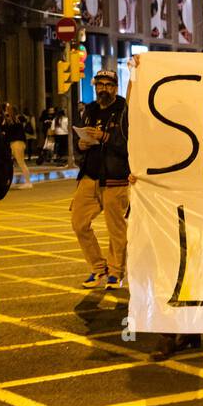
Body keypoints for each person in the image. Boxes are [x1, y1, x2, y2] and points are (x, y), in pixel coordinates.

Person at [73, 71, 130, 290]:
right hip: (90, 175)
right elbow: (76, 141)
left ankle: (116, 272)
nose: (103, 89)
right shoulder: (89, 110)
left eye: (108, 85)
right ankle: (98, 268)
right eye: (100, 84)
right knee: (79, 223)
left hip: (115, 177)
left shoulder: (124, 111)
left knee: (116, 229)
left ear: (116, 87)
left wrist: (104, 137)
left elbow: (130, 145)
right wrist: (81, 146)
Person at [3, 102, 34, 189]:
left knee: (21, 163)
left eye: (7, 110)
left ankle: (28, 182)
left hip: (17, 143)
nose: (5, 111)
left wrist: (5, 122)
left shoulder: (14, 120)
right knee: (11, 163)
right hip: (16, 143)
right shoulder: (17, 120)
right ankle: (12, 182)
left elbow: (8, 131)